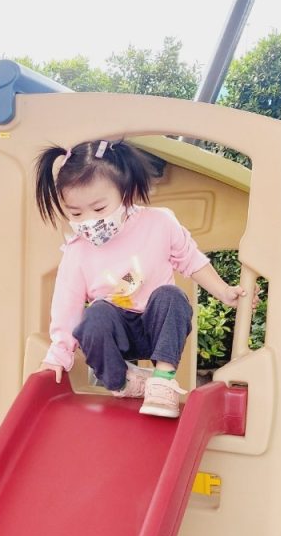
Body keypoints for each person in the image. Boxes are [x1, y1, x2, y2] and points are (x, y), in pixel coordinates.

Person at [34, 138, 248, 418]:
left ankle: (162, 380)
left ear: (126, 194)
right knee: (95, 315)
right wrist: (58, 356)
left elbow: (191, 260)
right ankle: (124, 382)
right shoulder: (77, 252)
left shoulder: (159, 222)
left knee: (171, 296)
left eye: (99, 209)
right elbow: (67, 308)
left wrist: (223, 291)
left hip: (156, 325)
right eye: (76, 213)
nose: (89, 221)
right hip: (116, 332)